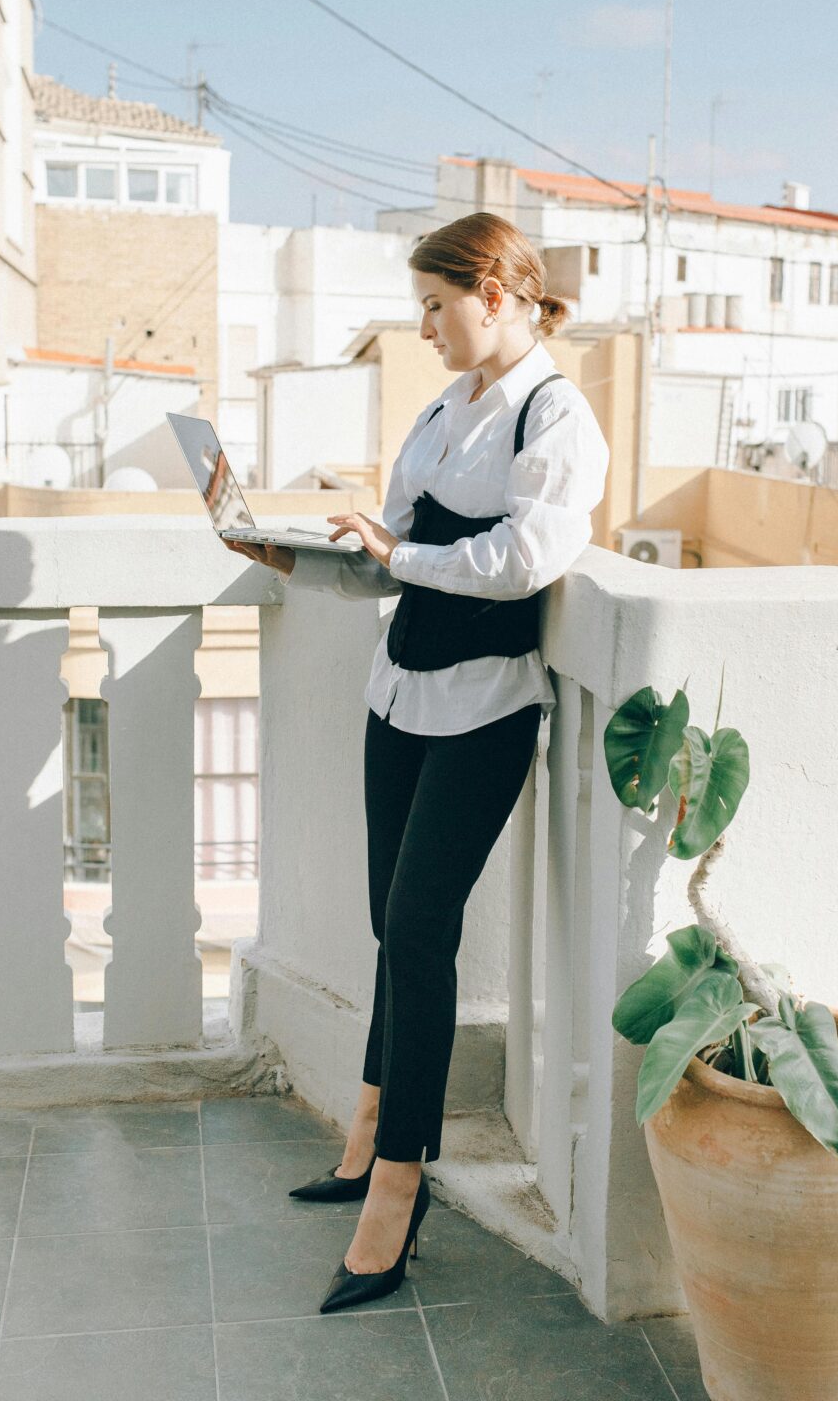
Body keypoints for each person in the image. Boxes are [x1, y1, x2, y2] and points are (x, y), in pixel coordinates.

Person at [224, 210, 610, 1313]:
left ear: (495, 290)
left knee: (423, 927)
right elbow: (398, 559)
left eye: (436, 304)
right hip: (396, 695)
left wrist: (405, 549)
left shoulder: (557, 414)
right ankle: (362, 1137)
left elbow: (527, 554)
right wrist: (294, 555)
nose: (425, 326)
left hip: (485, 710)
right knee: (391, 920)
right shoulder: (444, 409)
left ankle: (399, 1185)